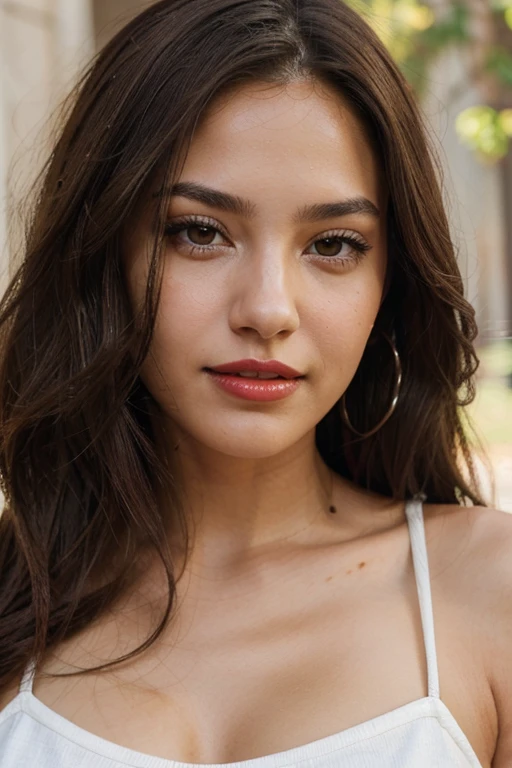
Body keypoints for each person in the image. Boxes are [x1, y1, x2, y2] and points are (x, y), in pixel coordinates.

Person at [0, 0, 510, 765]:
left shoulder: (488, 593)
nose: (268, 309)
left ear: (390, 283)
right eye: (199, 232)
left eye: (333, 244)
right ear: (104, 252)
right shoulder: (14, 595)